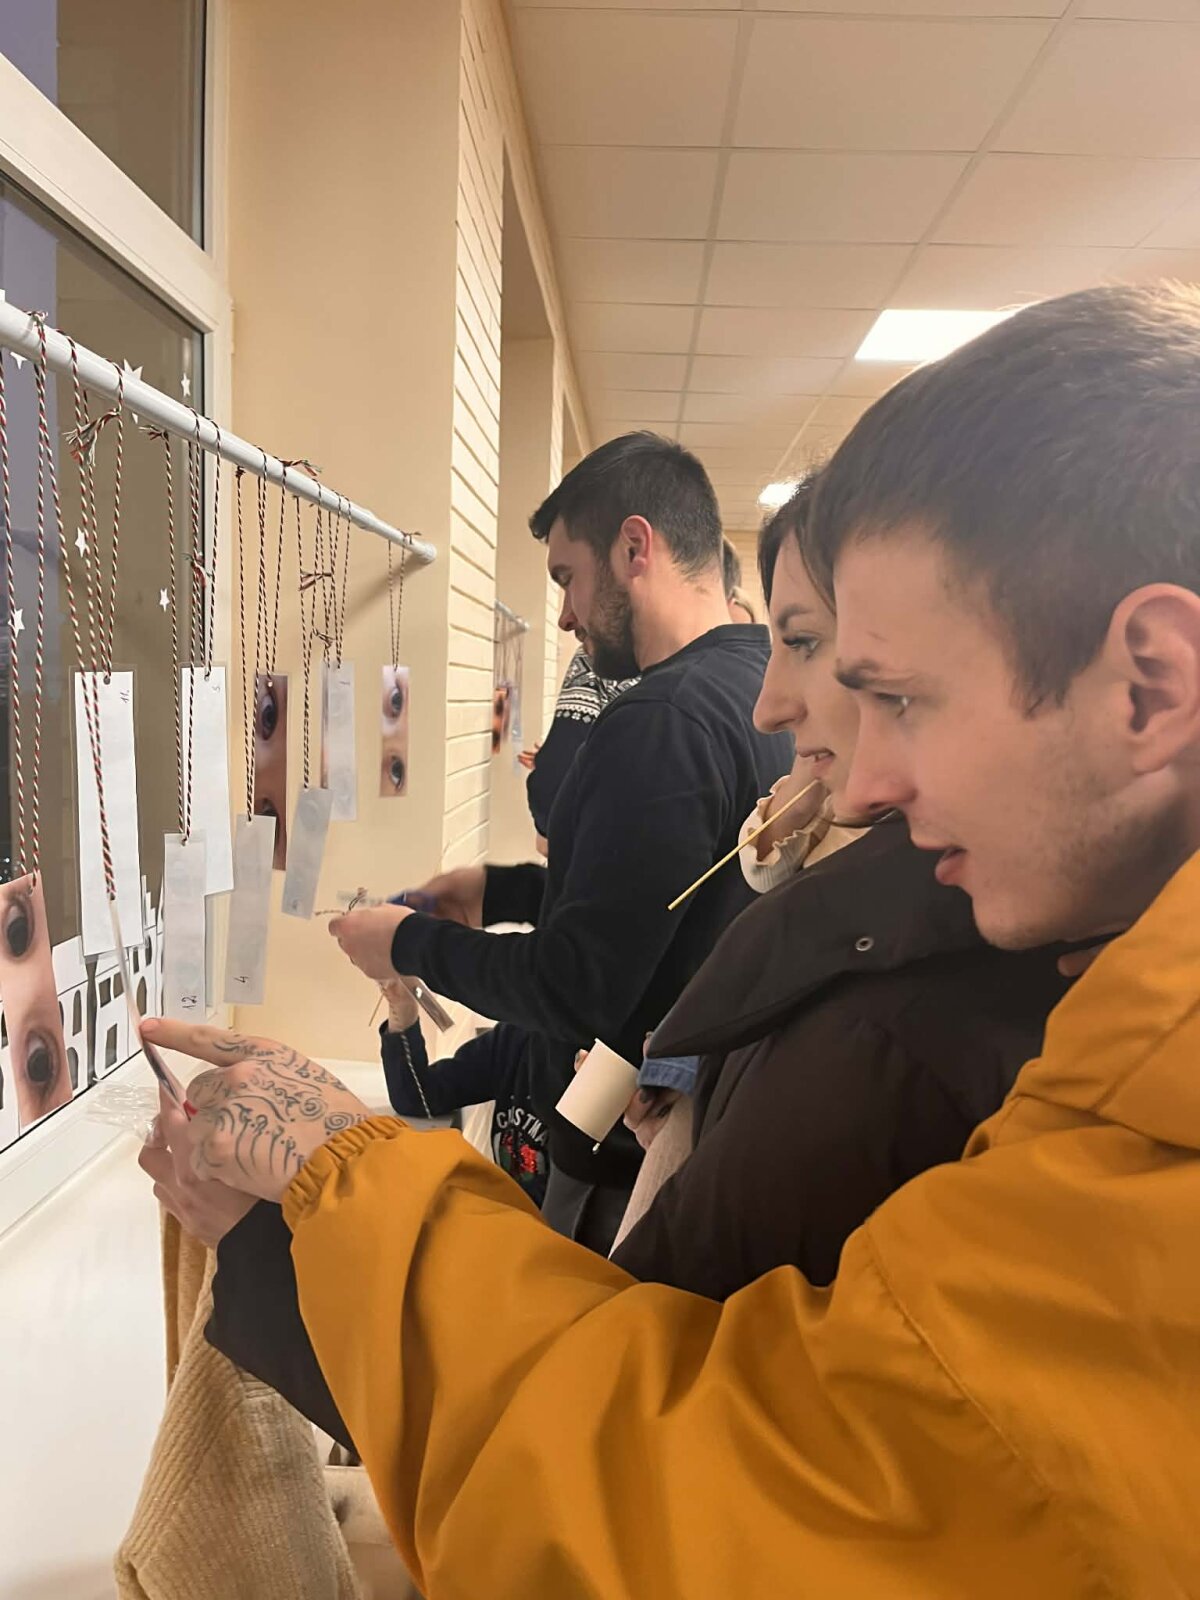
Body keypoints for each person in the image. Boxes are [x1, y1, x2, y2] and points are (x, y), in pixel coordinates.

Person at [142, 284, 1200, 1597]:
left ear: (1154, 681)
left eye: (896, 694)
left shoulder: (985, 1016)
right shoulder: (1078, 995)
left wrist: (339, 1158)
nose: (855, 775)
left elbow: (707, 1508)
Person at [328, 431, 792, 1251]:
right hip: (700, 1126)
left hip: (619, 1157)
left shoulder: (659, 721)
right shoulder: (758, 687)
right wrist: (501, 890)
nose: (568, 614)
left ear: (635, 548)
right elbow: (658, 908)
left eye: (567, 578)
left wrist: (407, 944)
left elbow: (578, 985)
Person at [612, 478, 1072, 1292]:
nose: (769, 708)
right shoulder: (882, 928)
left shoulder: (892, 1018)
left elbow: (666, 1327)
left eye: (807, 642)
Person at [377, 978, 547, 1206]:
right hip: (511, 1215)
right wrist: (401, 1006)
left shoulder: (590, 1059)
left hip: (557, 1225)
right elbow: (417, 1097)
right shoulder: (516, 1039)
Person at [521, 644, 638, 846]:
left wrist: (558, 758)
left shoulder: (603, 650)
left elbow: (553, 781)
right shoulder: (693, 671)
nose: (567, 626)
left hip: (602, 848)